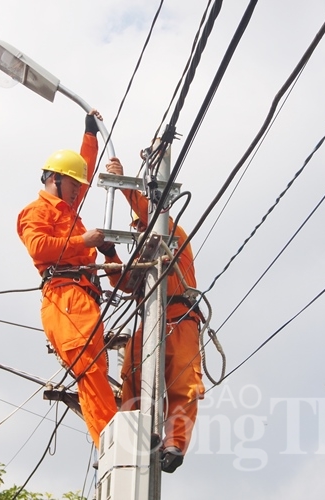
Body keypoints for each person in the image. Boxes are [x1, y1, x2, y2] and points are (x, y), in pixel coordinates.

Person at [17, 110, 119, 448]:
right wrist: (83, 242)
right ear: (55, 180)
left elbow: (81, 169)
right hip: (63, 296)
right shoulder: (38, 211)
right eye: (73, 185)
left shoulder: (69, 208)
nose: (79, 191)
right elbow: (39, 246)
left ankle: (110, 435)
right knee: (90, 369)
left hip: (84, 297)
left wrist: (90, 134)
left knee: (95, 370)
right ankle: (112, 436)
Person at [102, 155, 205, 473]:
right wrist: (110, 254)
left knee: (183, 383)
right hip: (149, 321)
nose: (138, 232)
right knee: (132, 374)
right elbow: (128, 284)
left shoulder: (173, 234)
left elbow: (151, 213)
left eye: (140, 228)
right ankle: (137, 434)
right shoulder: (144, 253)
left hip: (180, 316)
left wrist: (123, 185)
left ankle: (174, 443)